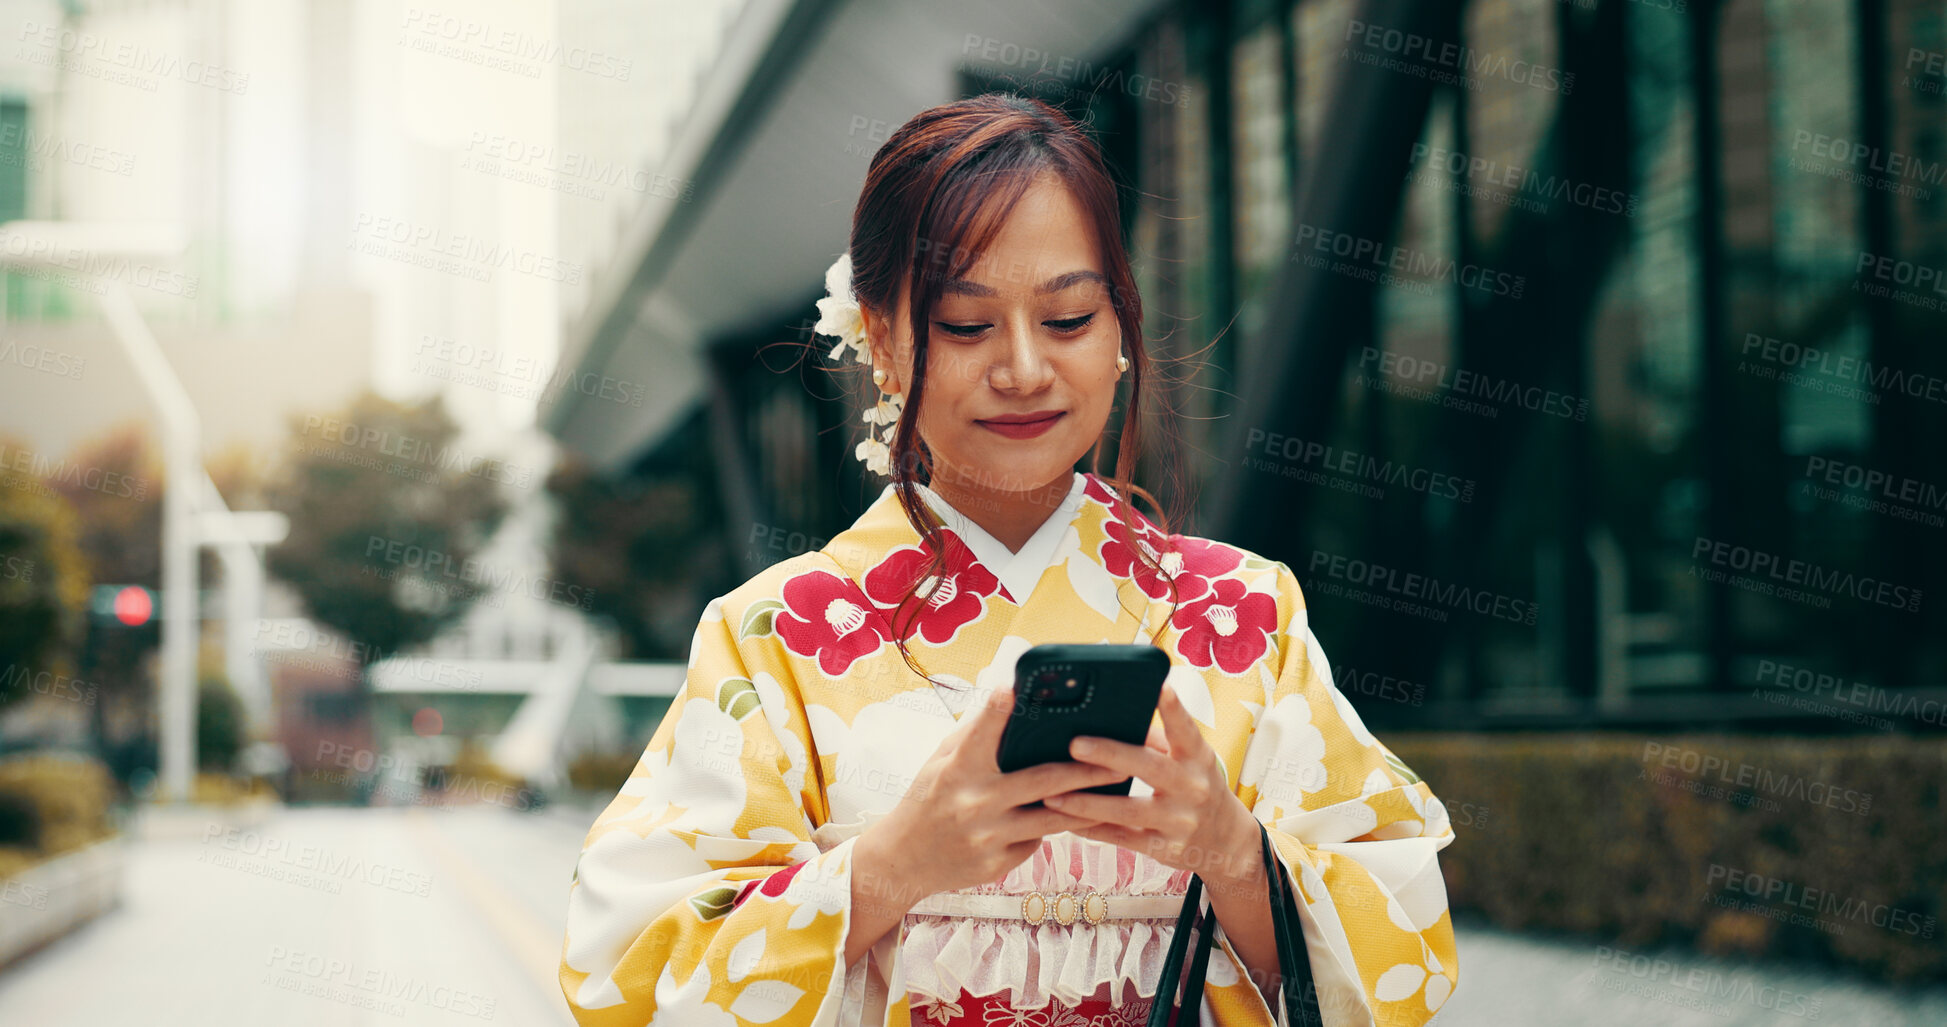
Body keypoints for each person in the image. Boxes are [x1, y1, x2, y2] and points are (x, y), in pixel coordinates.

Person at [559, 93, 1457, 1027]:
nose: (1024, 369)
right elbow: (625, 973)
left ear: (1119, 330)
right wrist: (895, 863)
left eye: (1068, 318)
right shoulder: (773, 634)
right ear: (880, 337)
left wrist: (1231, 850)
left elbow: (1409, 946)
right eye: (964, 324)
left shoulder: (1244, 612)